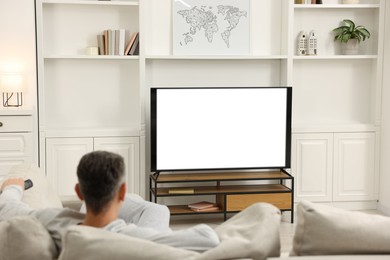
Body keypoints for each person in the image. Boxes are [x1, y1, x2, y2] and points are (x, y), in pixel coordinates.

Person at [0, 151, 219, 253]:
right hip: (128, 231)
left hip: (88, 215)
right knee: (158, 210)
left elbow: (8, 206)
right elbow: (208, 238)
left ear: (78, 192)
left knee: (146, 208)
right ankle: (129, 201)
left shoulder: (54, 221)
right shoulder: (138, 238)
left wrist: (13, 186)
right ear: (121, 191)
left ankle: (116, 200)